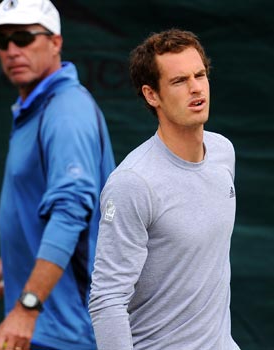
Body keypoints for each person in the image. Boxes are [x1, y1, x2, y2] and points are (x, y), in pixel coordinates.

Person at [0, 1, 116, 349]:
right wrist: (9, 262)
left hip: (70, 330)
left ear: (55, 42)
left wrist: (27, 306)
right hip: (44, 326)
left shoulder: (66, 112)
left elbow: (71, 213)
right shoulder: (35, 108)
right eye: (2, 41)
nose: (12, 50)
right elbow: (42, 208)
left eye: (23, 38)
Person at [88, 29, 240, 350]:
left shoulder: (223, 153)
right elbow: (107, 299)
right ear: (151, 95)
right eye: (179, 81)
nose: (196, 87)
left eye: (200, 75)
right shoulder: (132, 182)